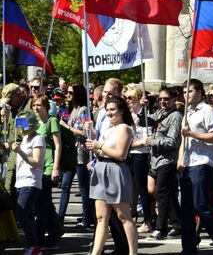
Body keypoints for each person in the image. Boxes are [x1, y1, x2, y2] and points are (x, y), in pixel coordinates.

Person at [177, 79, 213, 254]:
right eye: (184, 92)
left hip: (202, 162)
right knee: (186, 209)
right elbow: (183, 139)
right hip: (188, 163)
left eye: (190, 91)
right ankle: (188, 247)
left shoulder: (207, 110)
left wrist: (192, 133)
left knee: (201, 205)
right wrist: (180, 159)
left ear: (200, 92)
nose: (187, 95)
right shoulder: (187, 113)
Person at [84, 96, 138, 255]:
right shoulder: (108, 130)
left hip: (115, 171)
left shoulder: (124, 128)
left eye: (112, 109)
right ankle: (96, 253)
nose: (109, 113)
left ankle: (133, 252)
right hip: (101, 169)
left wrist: (98, 145)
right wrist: (94, 151)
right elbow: (102, 152)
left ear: (121, 110)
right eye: (107, 110)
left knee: (123, 215)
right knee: (101, 218)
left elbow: (120, 154)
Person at [146, 87, 182, 240]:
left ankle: (161, 227)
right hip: (155, 160)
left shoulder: (176, 117)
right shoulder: (160, 113)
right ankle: (179, 224)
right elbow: (145, 121)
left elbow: (173, 142)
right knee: (166, 193)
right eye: (160, 99)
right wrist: (143, 107)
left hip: (167, 160)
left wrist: (154, 141)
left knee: (161, 192)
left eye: (166, 99)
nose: (163, 102)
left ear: (174, 99)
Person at [31, 94, 63, 247]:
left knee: (42, 203)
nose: (36, 108)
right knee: (45, 204)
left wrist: (56, 167)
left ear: (46, 107)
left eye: (39, 105)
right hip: (36, 167)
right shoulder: (34, 122)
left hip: (48, 167)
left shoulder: (52, 121)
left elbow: (58, 145)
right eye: (34, 105)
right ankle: (55, 231)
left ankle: (44, 235)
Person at [57, 83, 89, 227]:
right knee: (65, 186)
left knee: (83, 188)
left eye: (70, 92)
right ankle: (60, 217)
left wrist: (67, 127)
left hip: (81, 153)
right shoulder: (71, 109)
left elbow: (85, 132)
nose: (68, 94)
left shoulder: (84, 110)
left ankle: (87, 218)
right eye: (67, 92)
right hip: (70, 154)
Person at [13, 111, 45, 255]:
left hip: (30, 181)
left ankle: (34, 245)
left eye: (24, 122)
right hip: (21, 182)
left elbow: (36, 163)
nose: (22, 126)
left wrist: (20, 152)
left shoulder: (38, 138)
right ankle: (32, 244)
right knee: (26, 215)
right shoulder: (25, 138)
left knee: (22, 215)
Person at [125, 88, 154, 233]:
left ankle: (147, 220)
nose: (128, 101)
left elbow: (147, 137)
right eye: (126, 98)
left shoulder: (145, 113)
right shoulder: (128, 115)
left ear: (137, 98)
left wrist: (146, 105)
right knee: (130, 187)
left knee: (143, 188)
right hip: (129, 153)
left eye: (130, 98)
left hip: (141, 154)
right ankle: (131, 213)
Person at [1, 83, 32, 198]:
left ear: (18, 94)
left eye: (10, 100)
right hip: (12, 155)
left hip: (26, 155)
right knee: (9, 191)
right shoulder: (13, 110)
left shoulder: (29, 107)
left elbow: (26, 133)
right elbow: (11, 133)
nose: (8, 103)